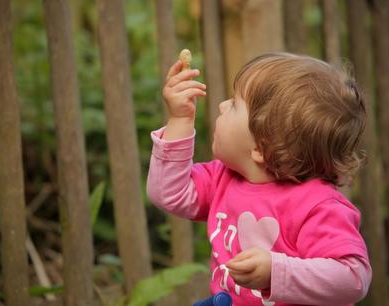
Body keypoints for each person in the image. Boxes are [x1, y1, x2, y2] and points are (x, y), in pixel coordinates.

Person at [147, 52, 372, 306]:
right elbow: (168, 193)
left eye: (234, 104)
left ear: (261, 148)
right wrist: (180, 119)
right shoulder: (222, 178)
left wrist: (276, 272)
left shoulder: (319, 207)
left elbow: (353, 278)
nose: (221, 105)